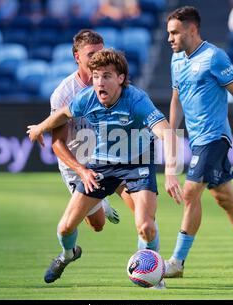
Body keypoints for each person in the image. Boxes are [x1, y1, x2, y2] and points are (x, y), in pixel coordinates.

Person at [27, 48, 183, 287]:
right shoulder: (87, 98)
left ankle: (153, 272)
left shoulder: (136, 100)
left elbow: (168, 134)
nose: (99, 82)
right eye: (96, 76)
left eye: (107, 76)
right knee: (65, 228)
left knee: (145, 226)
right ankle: (68, 255)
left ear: (120, 78)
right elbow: (61, 115)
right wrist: (39, 127)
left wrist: (171, 173)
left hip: (137, 163)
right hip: (102, 163)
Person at [164, 6, 233, 278]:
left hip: (215, 137)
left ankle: (177, 263)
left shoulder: (214, 56)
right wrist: (172, 132)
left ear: (192, 30)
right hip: (198, 138)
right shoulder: (176, 60)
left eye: (175, 32)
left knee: (190, 193)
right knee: (225, 198)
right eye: (168, 33)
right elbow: (176, 98)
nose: (170, 38)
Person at [48, 29, 122, 232]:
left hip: (106, 157)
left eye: (100, 53)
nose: (96, 59)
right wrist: (82, 171)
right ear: (77, 57)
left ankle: (150, 246)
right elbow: (57, 143)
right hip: (77, 163)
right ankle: (100, 204)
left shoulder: (112, 82)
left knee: (140, 199)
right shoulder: (64, 93)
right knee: (98, 225)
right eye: (91, 54)